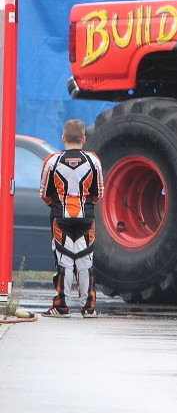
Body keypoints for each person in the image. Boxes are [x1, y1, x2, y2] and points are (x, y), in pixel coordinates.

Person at [39, 119, 104, 317]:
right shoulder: (94, 160)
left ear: (63, 138)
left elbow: (44, 193)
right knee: (85, 260)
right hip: (86, 217)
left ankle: (61, 306)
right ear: (84, 139)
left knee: (64, 259)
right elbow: (98, 192)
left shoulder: (52, 161)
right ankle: (88, 307)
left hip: (61, 217)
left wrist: (58, 205)